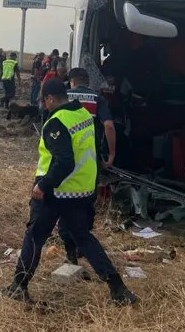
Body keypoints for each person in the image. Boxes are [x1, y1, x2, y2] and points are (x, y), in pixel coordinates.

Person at [1, 79, 138, 306]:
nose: (44, 105)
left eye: (45, 101)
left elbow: (64, 161)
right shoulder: (83, 115)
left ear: (50, 99)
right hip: (80, 191)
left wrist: (43, 185)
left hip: (55, 192)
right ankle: (118, 288)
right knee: (83, 238)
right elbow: (91, 150)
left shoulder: (56, 122)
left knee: (34, 237)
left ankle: (18, 286)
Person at [58, 67, 118, 268]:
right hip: (91, 161)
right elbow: (108, 126)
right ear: (87, 81)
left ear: (72, 82)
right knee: (86, 202)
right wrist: (111, 154)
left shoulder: (63, 97)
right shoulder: (97, 99)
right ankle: (82, 242)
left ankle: (70, 251)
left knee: (65, 203)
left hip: (66, 159)